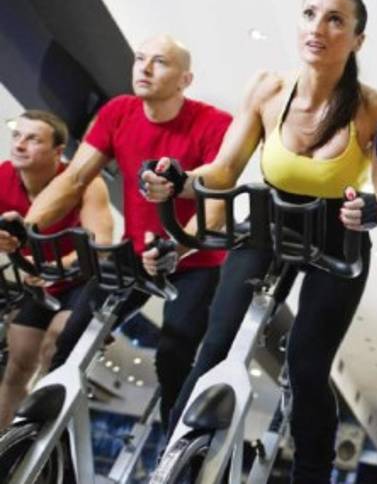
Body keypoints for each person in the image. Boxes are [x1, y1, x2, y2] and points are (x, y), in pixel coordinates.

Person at [142, 0, 377, 483]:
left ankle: (311, 474)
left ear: (357, 40)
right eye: (310, 14)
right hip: (268, 221)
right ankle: (168, 466)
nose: (318, 27)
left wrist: (371, 209)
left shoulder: (376, 105)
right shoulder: (267, 89)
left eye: (335, 20)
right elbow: (222, 171)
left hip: (339, 236)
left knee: (305, 365)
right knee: (215, 347)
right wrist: (179, 180)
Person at [24, 35, 232, 425]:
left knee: (173, 357)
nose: (145, 68)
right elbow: (73, 180)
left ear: (185, 80)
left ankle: (176, 442)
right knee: (69, 339)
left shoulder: (215, 123)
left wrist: (174, 250)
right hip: (134, 252)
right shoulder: (119, 111)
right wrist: (26, 228)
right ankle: (44, 440)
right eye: (139, 59)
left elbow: (215, 206)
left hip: (194, 260)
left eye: (160, 62)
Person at [0, 110, 112, 428]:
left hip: (80, 281)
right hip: (38, 282)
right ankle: (6, 443)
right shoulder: (3, 176)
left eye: (33, 139)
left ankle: (38, 433)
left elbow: (101, 244)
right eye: (17, 135)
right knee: (19, 363)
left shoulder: (87, 183)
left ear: (58, 151)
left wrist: (54, 267)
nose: (20, 144)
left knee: (55, 345)